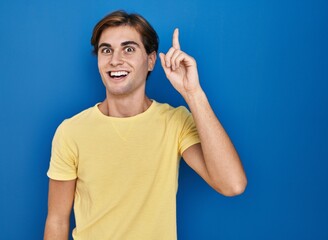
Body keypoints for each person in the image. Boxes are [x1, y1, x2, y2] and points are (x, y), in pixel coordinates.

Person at [44, 10, 247, 240]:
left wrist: (193, 94)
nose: (115, 60)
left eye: (128, 49)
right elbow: (57, 220)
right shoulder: (71, 131)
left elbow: (233, 184)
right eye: (106, 50)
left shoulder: (175, 122)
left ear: (150, 60)